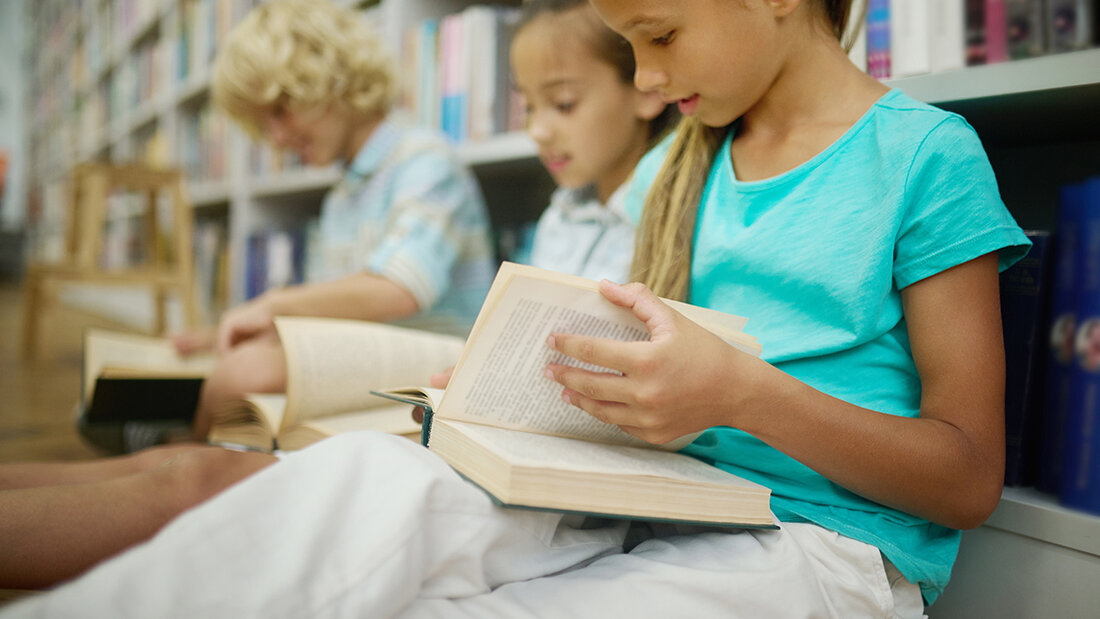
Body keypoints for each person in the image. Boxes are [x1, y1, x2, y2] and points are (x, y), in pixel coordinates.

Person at [2, 0, 1029, 616]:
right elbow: (653, 361)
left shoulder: (922, 160)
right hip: (656, 497)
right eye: (630, 47)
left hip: (826, 550)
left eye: (658, 35)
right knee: (352, 486)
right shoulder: (686, 157)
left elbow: (965, 476)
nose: (652, 76)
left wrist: (742, 397)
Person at [174, 0, 497, 442]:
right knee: (236, 362)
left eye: (281, 110)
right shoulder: (341, 197)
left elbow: (400, 288)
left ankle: (183, 463)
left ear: (332, 80)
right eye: (264, 126)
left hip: (444, 368)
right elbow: (330, 310)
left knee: (244, 374)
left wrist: (273, 305)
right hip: (373, 358)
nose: (278, 138)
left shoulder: (426, 159)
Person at [515, 0, 675, 283]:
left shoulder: (672, 217)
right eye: (529, 106)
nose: (537, 131)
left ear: (647, 91)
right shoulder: (558, 218)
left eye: (564, 104)